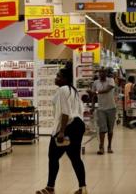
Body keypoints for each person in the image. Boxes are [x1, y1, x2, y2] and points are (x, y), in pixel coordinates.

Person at [37, 65, 87, 194]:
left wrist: (62, 131)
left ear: (65, 79)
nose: (56, 78)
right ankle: (83, 188)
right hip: (78, 124)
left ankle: (50, 188)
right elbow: (79, 110)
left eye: (58, 76)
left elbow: (65, 112)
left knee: (53, 156)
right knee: (75, 157)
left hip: (68, 126)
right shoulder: (73, 90)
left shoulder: (63, 90)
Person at [91, 69, 116, 155]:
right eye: (100, 72)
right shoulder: (95, 83)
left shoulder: (111, 80)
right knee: (102, 129)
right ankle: (101, 147)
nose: (101, 73)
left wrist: (96, 92)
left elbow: (107, 90)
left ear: (106, 73)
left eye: (103, 72)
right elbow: (94, 96)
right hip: (101, 109)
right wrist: (93, 106)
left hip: (111, 108)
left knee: (110, 129)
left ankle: (109, 146)